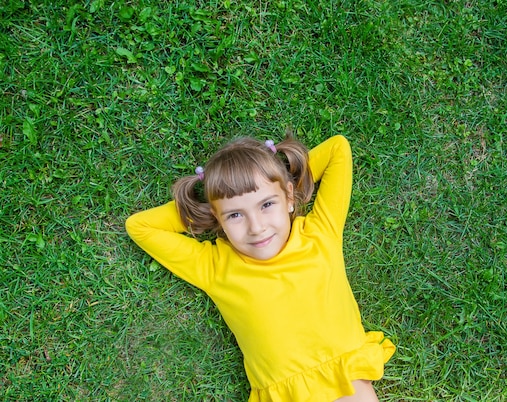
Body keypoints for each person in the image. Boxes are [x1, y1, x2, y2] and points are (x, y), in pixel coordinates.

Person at [125, 132, 395, 401]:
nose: (256, 227)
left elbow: (338, 149)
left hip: (346, 382)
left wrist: (274, 173)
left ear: (290, 196)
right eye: (235, 215)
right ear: (218, 219)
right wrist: (203, 210)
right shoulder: (215, 267)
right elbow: (139, 226)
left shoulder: (320, 234)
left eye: (266, 204)